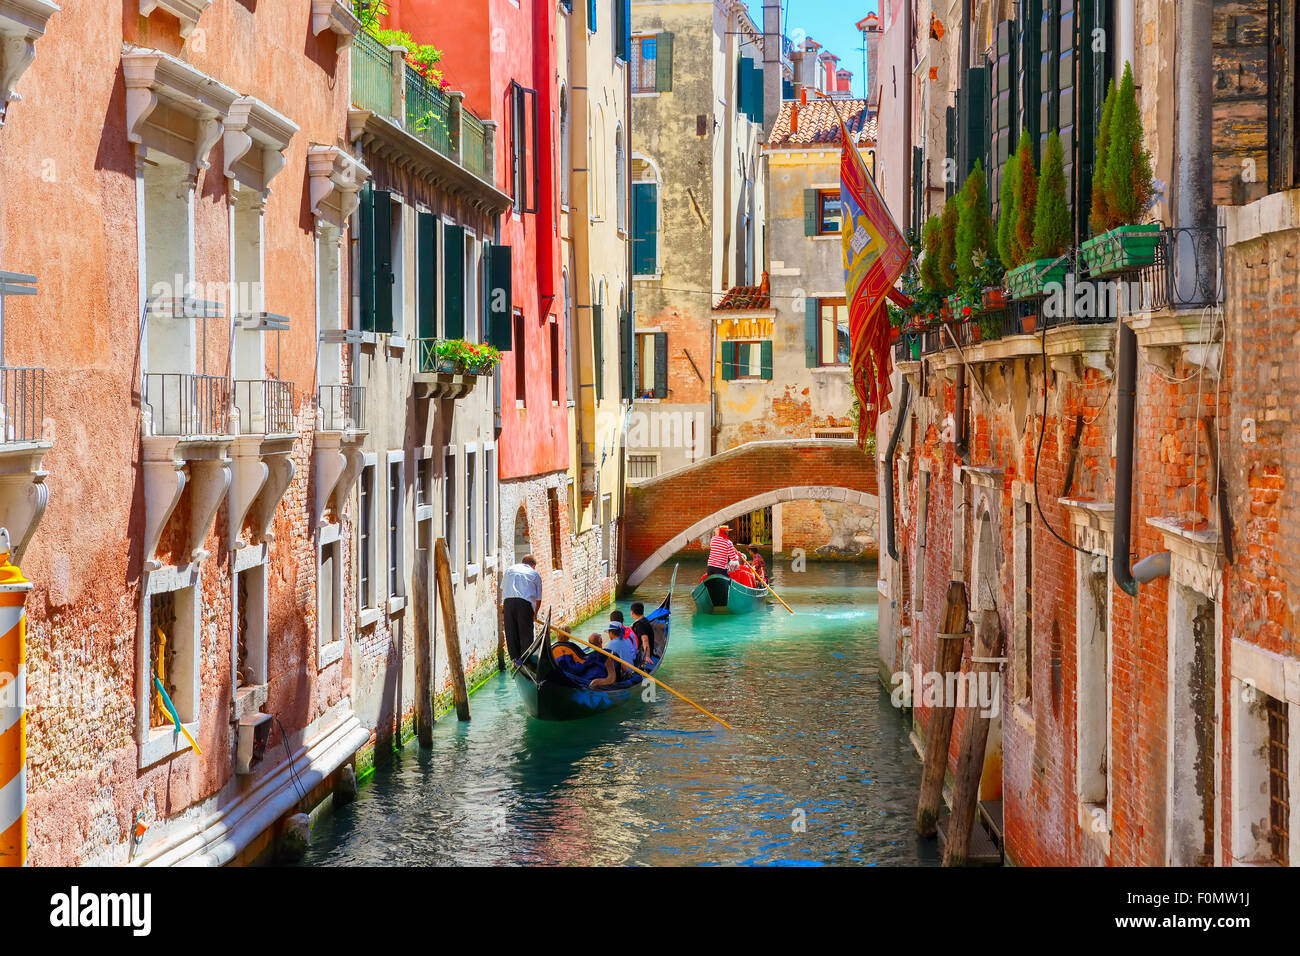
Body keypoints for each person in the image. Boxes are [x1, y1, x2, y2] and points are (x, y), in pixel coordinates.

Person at [501, 553, 542, 662]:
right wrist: (535, 613)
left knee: (511, 632)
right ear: (533, 565)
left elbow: (503, 588)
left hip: (508, 603)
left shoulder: (509, 570)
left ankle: (515, 659)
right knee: (526, 634)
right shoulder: (535, 574)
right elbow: (538, 599)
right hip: (524, 605)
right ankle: (526, 660)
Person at [590, 621, 638, 689]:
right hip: (632, 671)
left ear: (611, 633)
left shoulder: (611, 644)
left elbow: (607, 661)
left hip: (625, 675)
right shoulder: (625, 640)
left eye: (609, 633)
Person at [629, 601, 655, 665]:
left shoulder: (640, 625)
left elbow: (645, 640)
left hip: (641, 654)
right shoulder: (644, 620)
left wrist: (647, 656)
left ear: (632, 612)